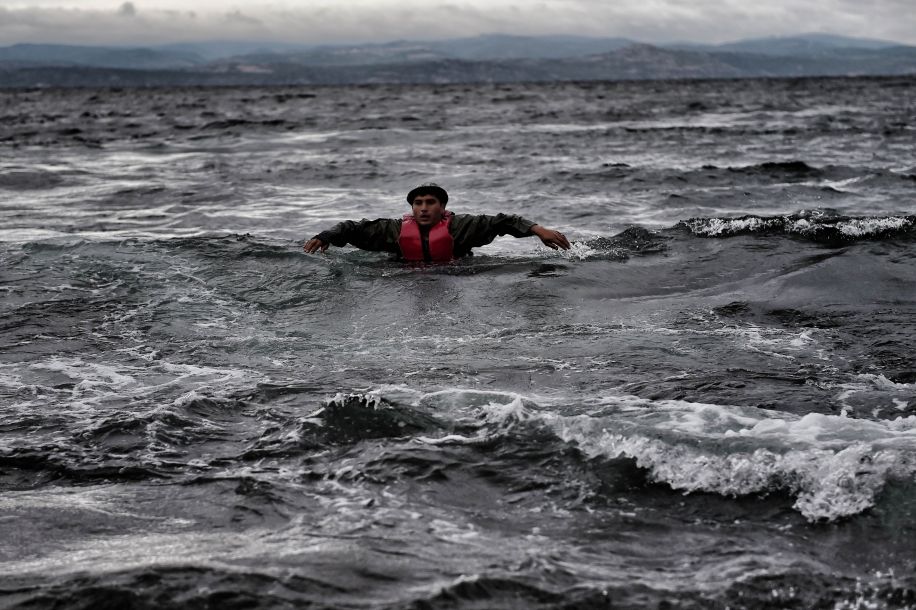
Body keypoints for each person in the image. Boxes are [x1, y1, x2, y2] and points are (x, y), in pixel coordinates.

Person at [303, 184, 570, 262]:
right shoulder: (394, 230)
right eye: (418, 203)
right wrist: (325, 235)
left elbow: (504, 221)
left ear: (442, 207)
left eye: (430, 202)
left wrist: (538, 230)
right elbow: (352, 228)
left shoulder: (462, 226)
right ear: (411, 208)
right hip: (402, 275)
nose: (423, 208)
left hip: (456, 273)